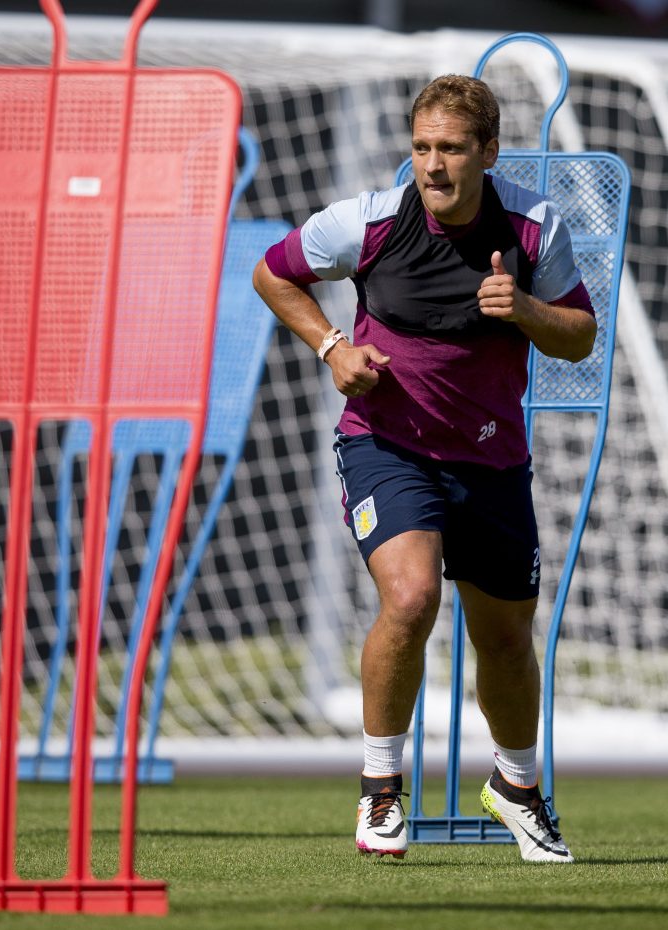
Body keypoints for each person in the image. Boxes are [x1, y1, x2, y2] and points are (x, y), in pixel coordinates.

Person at [253, 74, 595, 863]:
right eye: (421, 148)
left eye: (450, 149)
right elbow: (274, 273)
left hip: (492, 460)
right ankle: (380, 793)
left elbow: (579, 335)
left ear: (489, 152)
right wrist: (332, 347)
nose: (432, 166)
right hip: (386, 444)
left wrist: (527, 310)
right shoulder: (366, 220)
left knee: (506, 638)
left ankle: (517, 788)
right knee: (408, 598)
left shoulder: (535, 228)